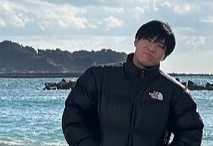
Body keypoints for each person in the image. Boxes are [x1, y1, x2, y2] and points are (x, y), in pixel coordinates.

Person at [62, 20, 204, 146]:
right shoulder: (99, 76)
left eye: (160, 46)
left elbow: (191, 131)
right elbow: (73, 116)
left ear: (165, 55)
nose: (151, 47)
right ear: (136, 40)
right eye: (148, 39)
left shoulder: (174, 92)